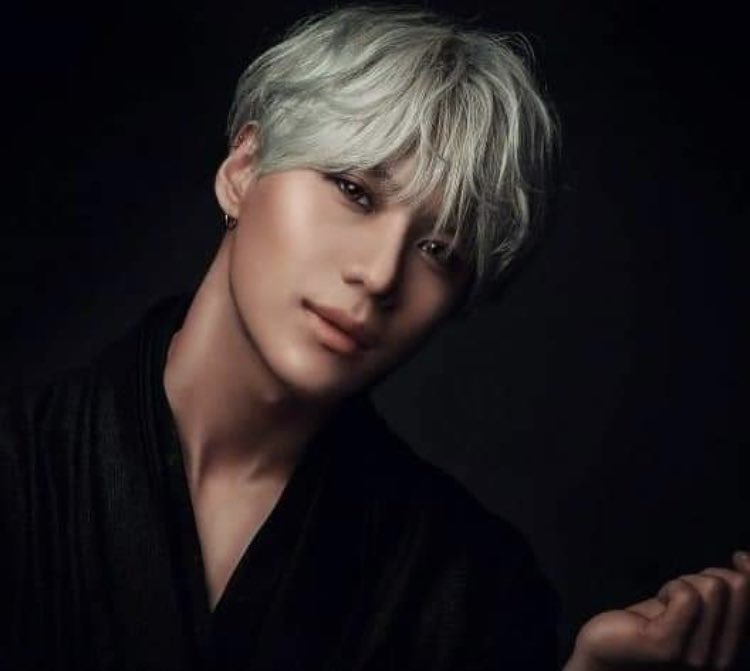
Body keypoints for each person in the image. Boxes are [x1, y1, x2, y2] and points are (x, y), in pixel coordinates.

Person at [1, 5, 747, 670]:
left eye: (440, 251)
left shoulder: (474, 584)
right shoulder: (21, 465)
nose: (381, 274)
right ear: (242, 170)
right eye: (355, 190)